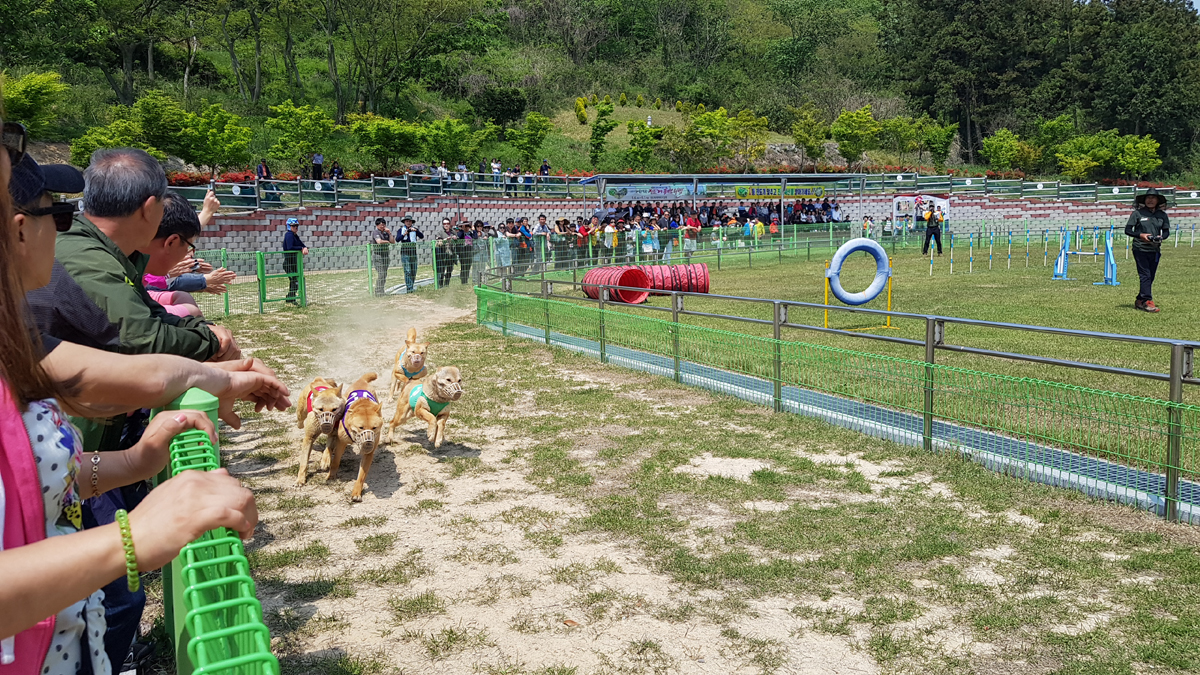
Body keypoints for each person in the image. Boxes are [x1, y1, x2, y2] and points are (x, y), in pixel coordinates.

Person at [1125, 188, 1170, 312]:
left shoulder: (1162, 215)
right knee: (1145, 275)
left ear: (1157, 200)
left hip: (1154, 249)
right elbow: (1128, 230)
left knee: (1151, 276)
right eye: (1148, 198)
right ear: (1144, 200)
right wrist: (1141, 235)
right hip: (1140, 248)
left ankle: (1140, 300)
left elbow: (1166, 232)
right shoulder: (1137, 213)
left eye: (1153, 198)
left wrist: (1161, 238)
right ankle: (1147, 301)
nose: (1150, 200)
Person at [283, 217, 308, 303]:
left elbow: (301, 244)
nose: (296, 227)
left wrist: (304, 247)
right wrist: (301, 248)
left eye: (297, 226)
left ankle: (291, 298)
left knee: (295, 281)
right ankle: (290, 299)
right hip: (289, 263)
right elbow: (290, 247)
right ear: (289, 226)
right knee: (294, 281)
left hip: (294, 262)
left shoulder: (295, 235)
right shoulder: (289, 235)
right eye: (293, 226)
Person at [397, 215, 423, 293]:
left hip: (413, 251)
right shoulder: (401, 230)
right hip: (405, 252)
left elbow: (421, 236)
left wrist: (416, 231)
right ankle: (409, 288)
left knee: (413, 269)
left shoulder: (414, 229)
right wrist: (405, 234)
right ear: (404, 222)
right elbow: (397, 239)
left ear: (412, 222)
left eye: (410, 221)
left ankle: (411, 285)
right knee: (407, 270)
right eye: (407, 221)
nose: (408, 222)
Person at [370, 217, 395, 296]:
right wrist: (387, 241)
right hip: (378, 255)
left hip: (385, 255)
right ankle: (378, 291)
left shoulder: (386, 233)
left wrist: (389, 233)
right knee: (381, 273)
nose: (383, 226)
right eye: (381, 225)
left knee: (384, 274)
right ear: (377, 225)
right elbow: (379, 241)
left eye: (384, 225)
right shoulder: (376, 232)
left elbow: (393, 242)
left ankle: (381, 291)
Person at [433, 218, 456, 287]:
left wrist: (455, 238)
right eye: (444, 224)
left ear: (450, 224)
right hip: (442, 254)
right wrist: (445, 239)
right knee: (441, 270)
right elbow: (438, 240)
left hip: (451, 253)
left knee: (449, 270)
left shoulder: (453, 232)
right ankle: (440, 285)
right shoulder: (440, 232)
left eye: (447, 223)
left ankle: (447, 284)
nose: (446, 225)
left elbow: (457, 238)